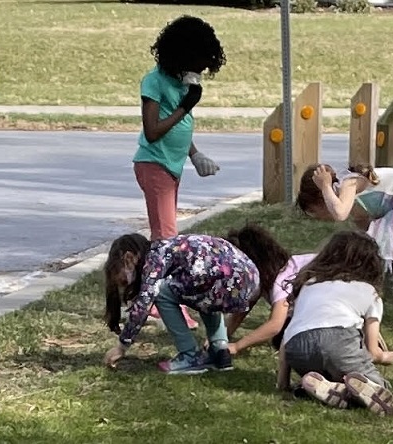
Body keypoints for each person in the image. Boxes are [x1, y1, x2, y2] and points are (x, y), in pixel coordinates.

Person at [296, 163, 393, 358]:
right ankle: (373, 328)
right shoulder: (354, 201)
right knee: (382, 277)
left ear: (320, 198)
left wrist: (325, 186)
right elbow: (365, 236)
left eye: (316, 212)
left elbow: (339, 213)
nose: (321, 218)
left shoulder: (348, 182)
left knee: (392, 281)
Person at [133, 15, 227, 329]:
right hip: (154, 165)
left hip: (172, 166)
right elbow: (153, 131)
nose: (201, 70)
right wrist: (186, 106)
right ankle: (161, 303)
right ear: (182, 55)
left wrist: (195, 153)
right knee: (166, 241)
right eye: (198, 63)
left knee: (163, 238)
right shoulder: (155, 81)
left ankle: (149, 297)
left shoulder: (180, 82)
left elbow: (180, 128)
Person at [277, 231, 393, 417]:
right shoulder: (370, 292)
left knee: (330, 373)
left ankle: (320, 388)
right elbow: (372, 351)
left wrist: (282, 382)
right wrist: (384, 357)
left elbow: (288, 333)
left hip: (298, 349)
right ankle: (348, 391)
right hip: (338, 342)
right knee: (377, 386)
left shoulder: (310, 284)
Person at [102, 233, 260, 374]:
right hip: (249, 281)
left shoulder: (154, 260)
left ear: (129, 258)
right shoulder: (169, 247)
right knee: (204, 288)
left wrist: (122, 346)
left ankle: (190, 355)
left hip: (224, 284)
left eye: (123, 279)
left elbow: (143, 305)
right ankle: (220, 350)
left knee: (162, 292)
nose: (125, 284)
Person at [223, 224, 315, 354]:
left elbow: (275, 325)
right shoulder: (265, 279)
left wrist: (237, 346)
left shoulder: (282, 281)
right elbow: (241, 310)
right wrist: (221, 338)